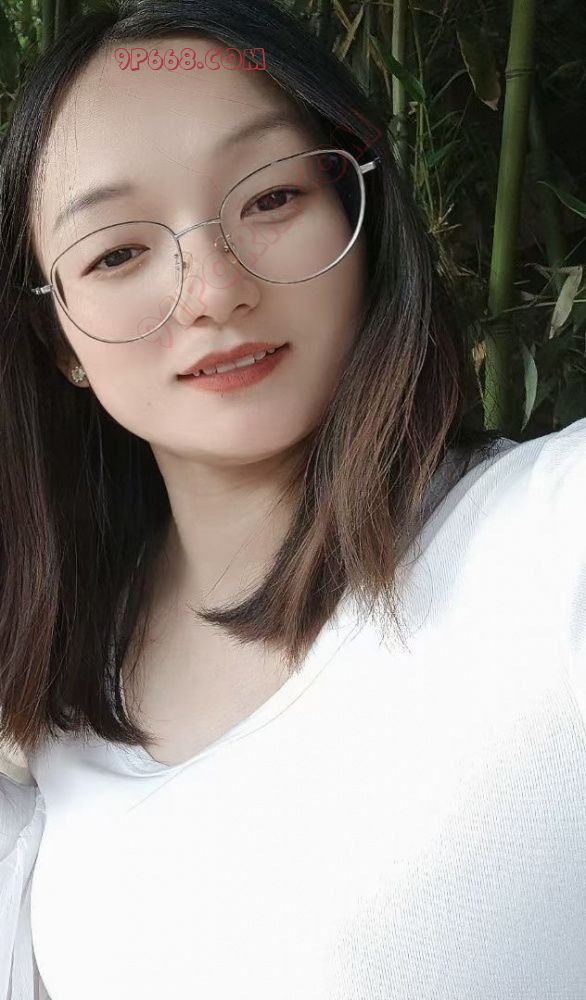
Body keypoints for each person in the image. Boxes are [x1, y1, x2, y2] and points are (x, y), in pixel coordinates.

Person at [1, 0, 585, 997]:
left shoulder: (545, 546)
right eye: (117, 253)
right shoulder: (56, 704)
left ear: (357, 209)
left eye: (270, 197)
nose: (213, 290)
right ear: (59, 340)